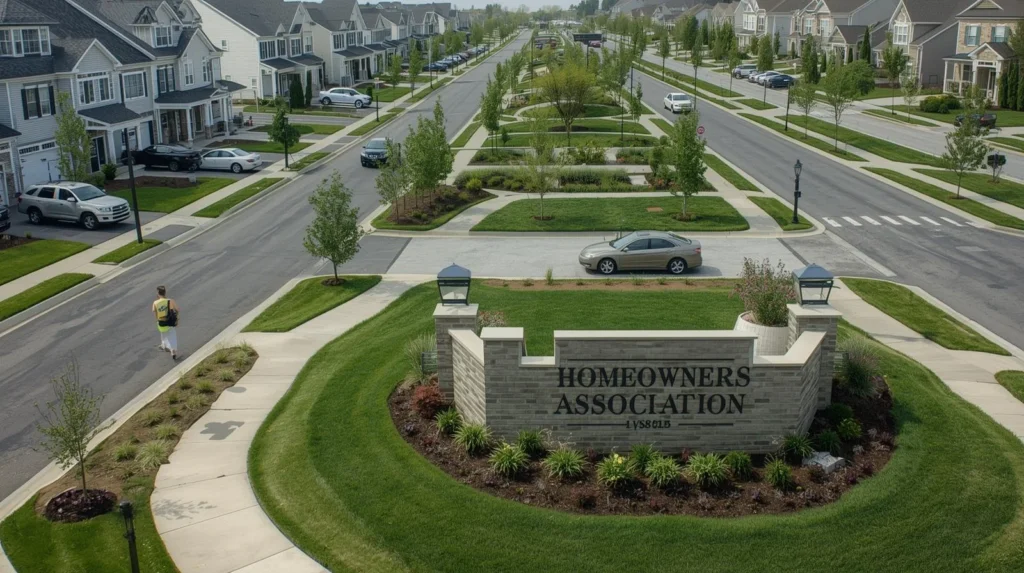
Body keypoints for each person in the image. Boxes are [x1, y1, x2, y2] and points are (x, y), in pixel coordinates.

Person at [153, 286, 180, 360]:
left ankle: (164, 345)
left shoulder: (155, 303)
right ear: (165, 292)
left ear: (158, 293)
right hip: (170, 322)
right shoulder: (170, 301)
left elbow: (155, 313)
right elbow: (177, 310)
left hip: (161, 323)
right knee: (172, 336)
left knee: (164, 335)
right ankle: (173, 351)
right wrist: (177, 319)